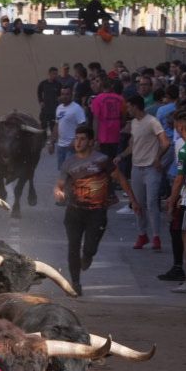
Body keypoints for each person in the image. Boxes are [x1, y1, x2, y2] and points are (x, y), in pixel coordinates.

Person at [55, 125, 138, 298]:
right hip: (74, 212)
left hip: (97, 213)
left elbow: (121, 178)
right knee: (73, 247)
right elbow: (60, 184)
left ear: (91, 142)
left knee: (90, 248)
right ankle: (75, 283)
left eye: (82, 139)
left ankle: (88, 255)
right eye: (76, 138)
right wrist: (59, 192)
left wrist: (133, 200)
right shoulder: (68, 162)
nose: (78, 142)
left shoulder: (102, 160)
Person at [124, 95, 167, 252]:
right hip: (137, 167)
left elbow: (165, 142)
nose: (127, 109)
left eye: (129, 106)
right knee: (138, 203)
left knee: (151, 203)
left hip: (150, 168)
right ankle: (142, 234)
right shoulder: (134, 123)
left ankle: (156, 236)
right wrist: (121, 156)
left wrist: (158, 158)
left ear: (135, 106)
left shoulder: (152, 121)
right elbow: (133, 145)